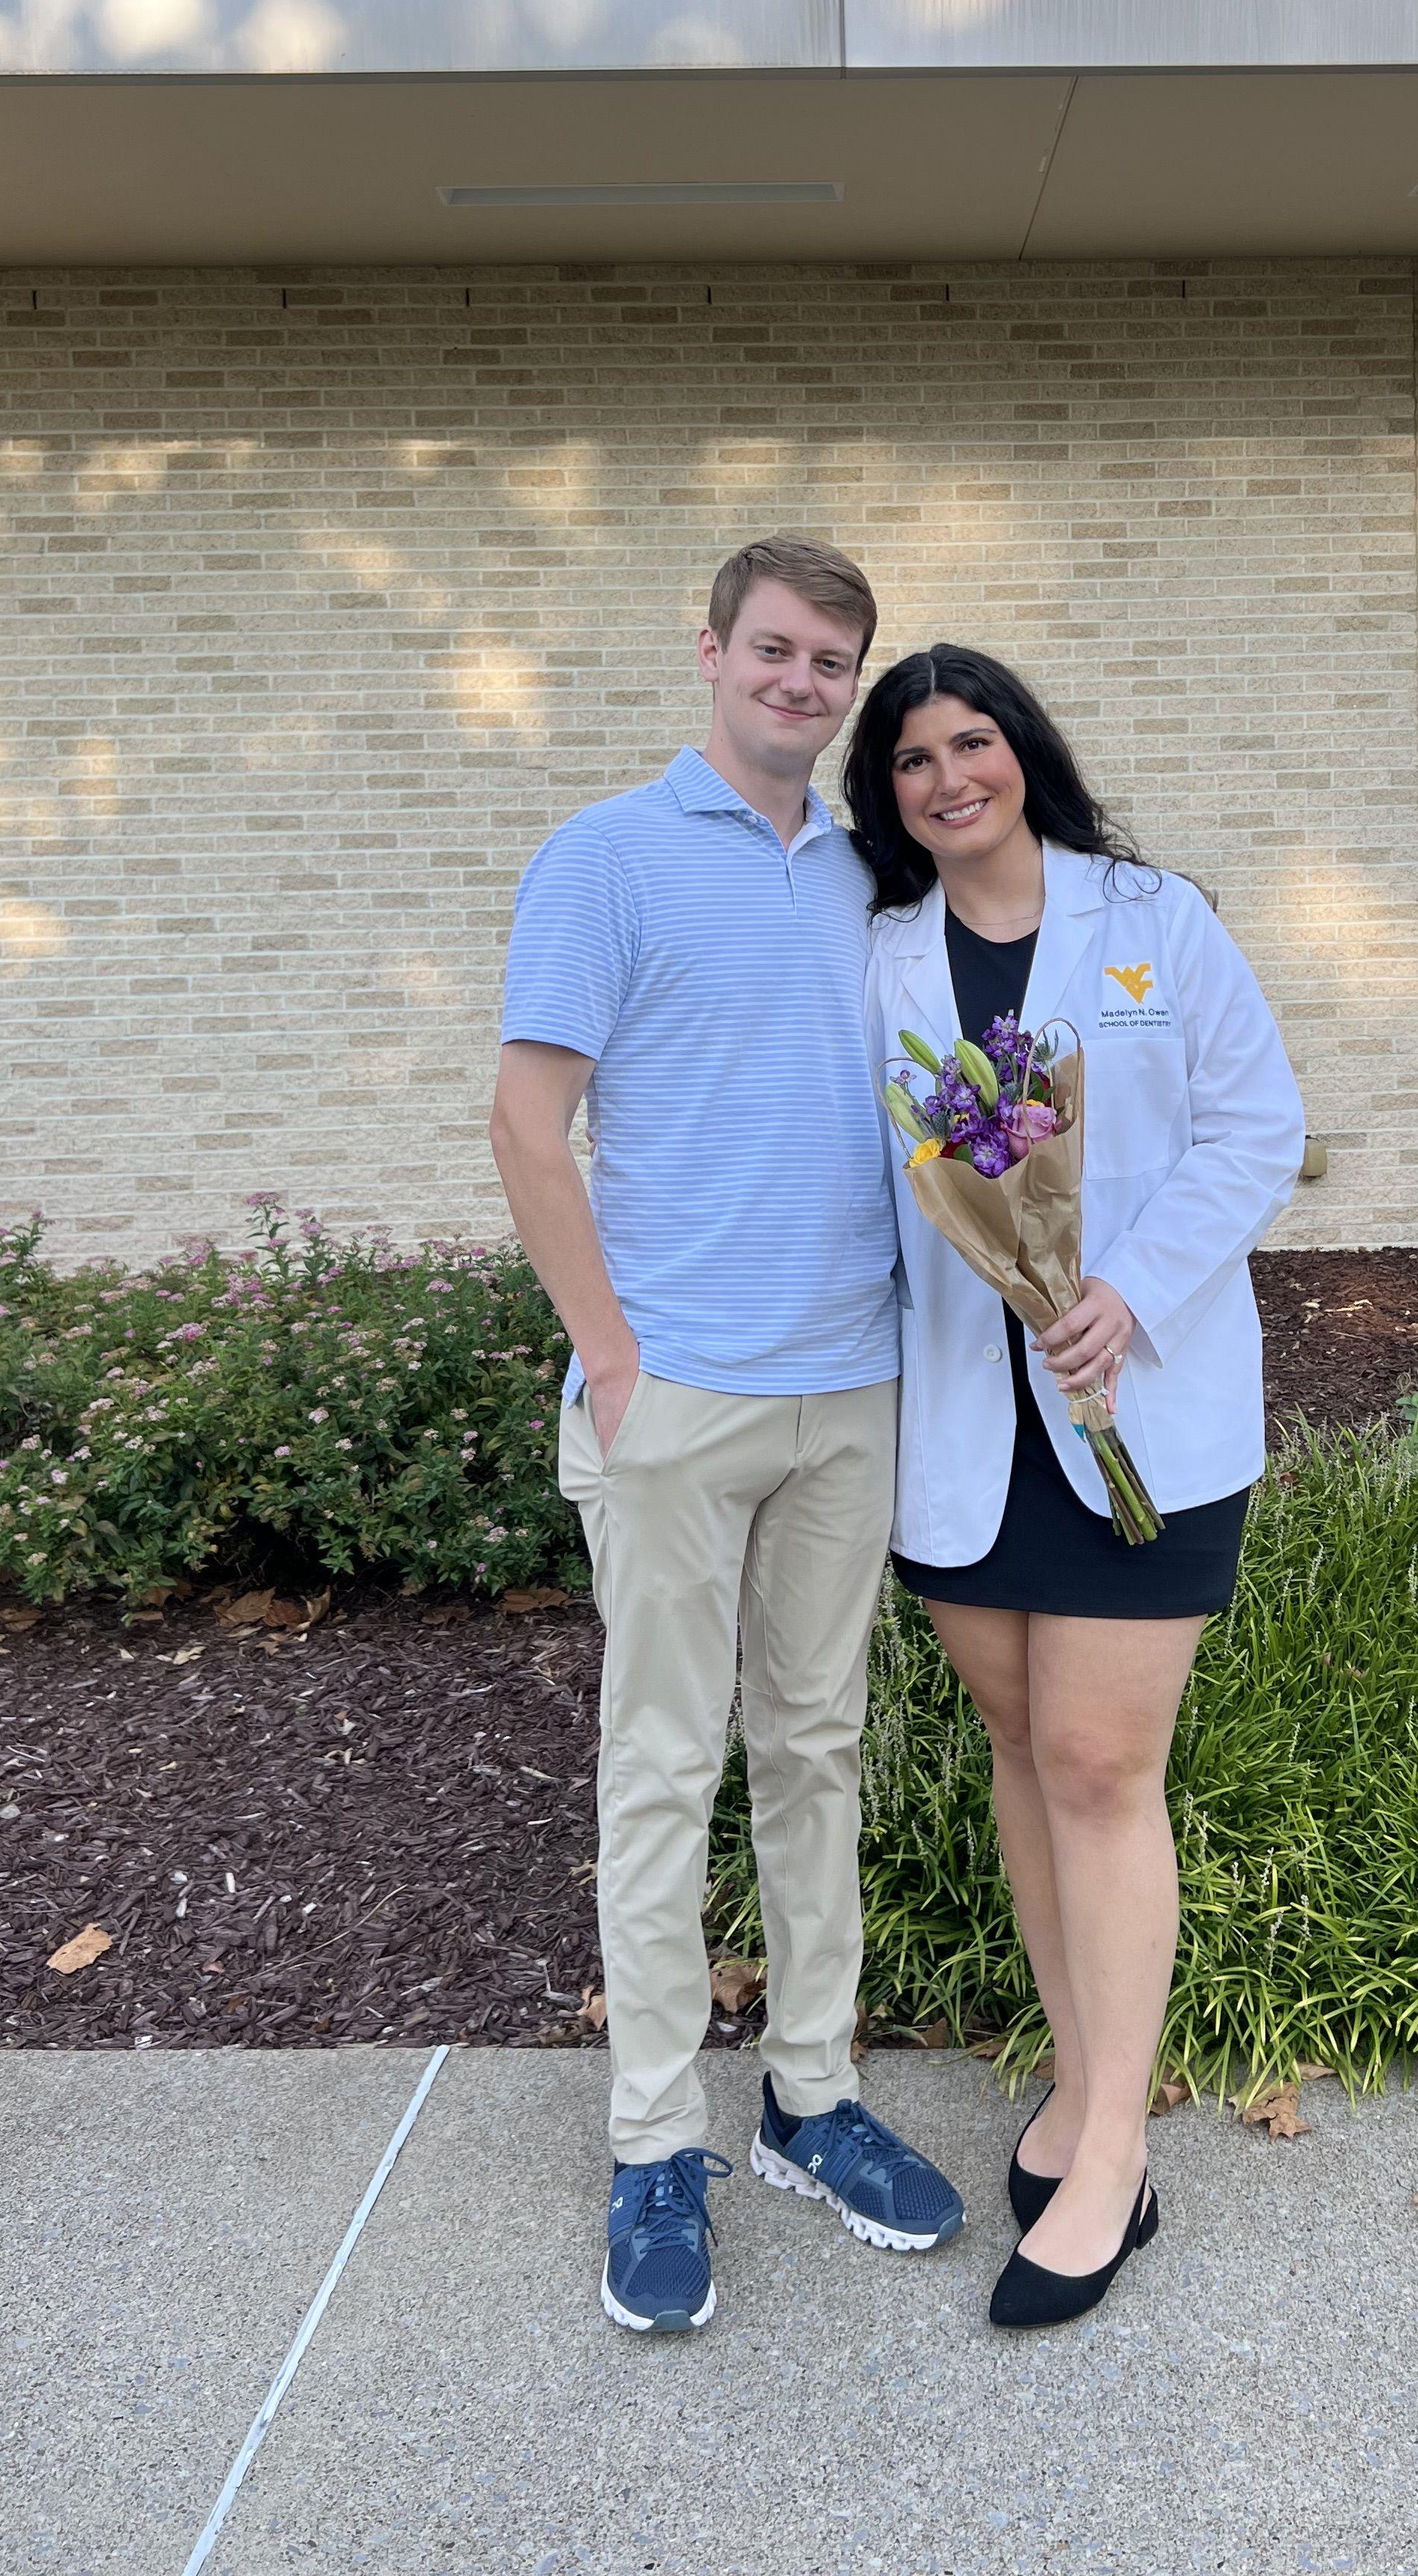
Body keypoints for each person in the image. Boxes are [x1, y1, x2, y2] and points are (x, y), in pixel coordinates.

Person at [490, 536, 965, 2336]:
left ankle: (812, 2102)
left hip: (852, 1388)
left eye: (832, 662)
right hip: (677, 1396)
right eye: (774, 649)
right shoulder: (606, 857)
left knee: (817, 1751)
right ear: (710, 652)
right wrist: (611, 1360)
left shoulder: (873, 877)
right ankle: (652, 2143)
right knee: (663, 1770)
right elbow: (528, 1121)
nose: (802, 683)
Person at [840, 645, 1305, 2333]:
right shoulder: (880, 953)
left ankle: (1115, 2141)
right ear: (886, 794)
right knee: (1026, 1754)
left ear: (1022, 751)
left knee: (1104, 1765)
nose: (947, 777)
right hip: (970, 1425)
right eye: (912, 759)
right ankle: (1080, 2065)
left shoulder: (1153, 921)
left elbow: (1256, 1130)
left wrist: (1131, 1289)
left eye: (972, 742)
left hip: (1135, 1405)